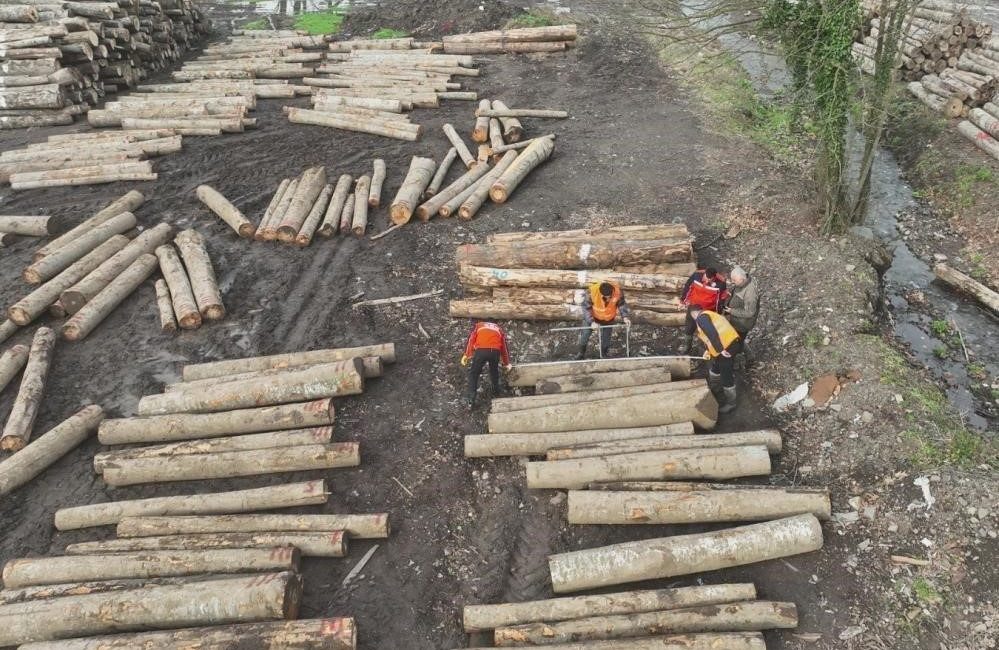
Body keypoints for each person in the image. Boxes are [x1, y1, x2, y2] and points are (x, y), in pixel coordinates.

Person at [689, 306, 741, 414]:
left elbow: (712, 333)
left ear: (693, 314)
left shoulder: (701, 318)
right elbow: (710, 338)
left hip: (727, 347)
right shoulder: (709, 314)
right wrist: (708, 351)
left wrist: (720, 349)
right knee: (715, 369)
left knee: (726, 374)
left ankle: (731, 403)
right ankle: (715, 389)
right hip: (729, 344)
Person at [461, 321, 511, 408]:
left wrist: (467, 354)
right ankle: (496, 392)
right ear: (494, 323)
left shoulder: (479, 325)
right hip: (495, 351)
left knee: (474, 373)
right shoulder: (498, 329)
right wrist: (506, 363)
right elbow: (504, 347)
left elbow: (471, 339)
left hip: (481, 350)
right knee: (494, 371)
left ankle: (471, 399)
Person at [576, 281, 631, 359]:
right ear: (601, 293)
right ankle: (581, 353)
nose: (608, 299)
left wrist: (625, 317)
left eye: (610, 296)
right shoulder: (592, 292)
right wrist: (591, 322)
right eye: (606, 297)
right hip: (593, 317)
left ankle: (604, 354)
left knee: (606, 339)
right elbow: (586, 308)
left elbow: (621, 304)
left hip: (608, 319)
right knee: (585, 335)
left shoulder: (618, 292)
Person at [680, 267, 728, 354]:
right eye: (706, 277)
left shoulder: (721, 283)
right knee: (689, 327)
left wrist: (717, 314)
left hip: (707, 311)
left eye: (710, 279)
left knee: (707, 331)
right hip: (693, 307)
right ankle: (687, 346)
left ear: (714, 277)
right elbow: (688, 287)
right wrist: (683, 301)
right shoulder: (696, 275)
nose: (707, 280)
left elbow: (720, 301)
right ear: (705, 274)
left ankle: (706, 349)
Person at [724, 265, 760, 341]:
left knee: (737, 341)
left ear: (742, 279)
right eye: (732, 280)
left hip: (742, 325)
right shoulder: (743, 281)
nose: (732, 282)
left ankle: (739, 346)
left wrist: (732, 311)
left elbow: (750, 313)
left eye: (734, 280)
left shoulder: (750, 294)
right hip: (735, 319)